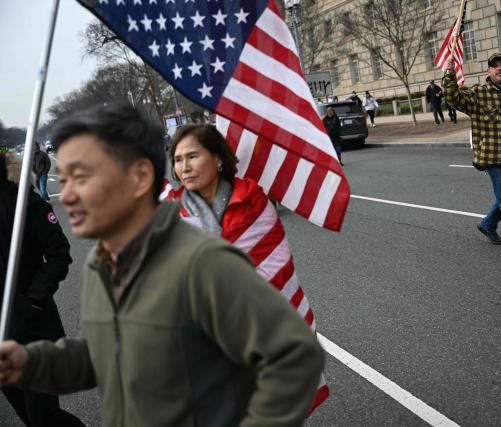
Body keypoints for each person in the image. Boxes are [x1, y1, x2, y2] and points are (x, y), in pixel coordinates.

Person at [0, 104, 325, 426]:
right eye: (65, 179)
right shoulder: (97, 268)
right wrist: (31, 363)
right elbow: (103, 355)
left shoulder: (201, 260)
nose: (68, 195)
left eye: (83, 177)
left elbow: (295, 356)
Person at [164, 124, 329, 412]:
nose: (184, 167)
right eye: (178, 160)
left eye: (192, 156)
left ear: (217, 159)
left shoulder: (253, 203)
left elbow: (274, 267)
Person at [0, 153, 85, 427]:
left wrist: (31, 301)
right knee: (29, 418)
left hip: (32, 328)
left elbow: (59, 254)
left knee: (45, 418)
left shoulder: (24, 200)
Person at [444, 53, 501, 260]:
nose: (499, 68)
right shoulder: (479, 94)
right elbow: (453, 98)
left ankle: (487, 224)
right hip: (494, 158)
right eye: (495, 66)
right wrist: (449, 74)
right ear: (489, 71)